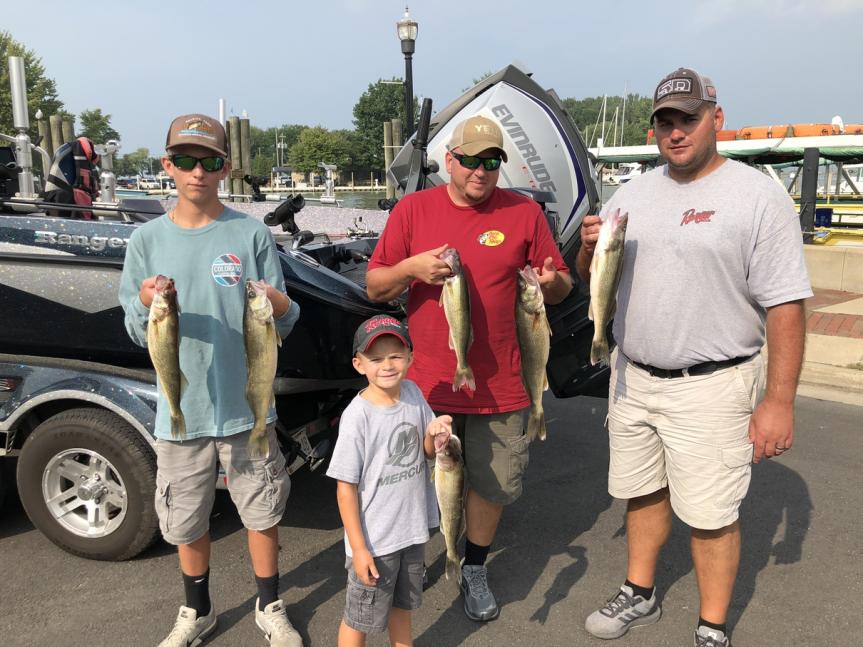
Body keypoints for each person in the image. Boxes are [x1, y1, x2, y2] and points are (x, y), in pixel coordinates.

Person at [576, 68, 812, 647]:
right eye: (665, 122)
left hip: (712, 384)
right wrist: (586, 253)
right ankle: (640, 590)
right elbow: (594, 282)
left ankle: (711, 625)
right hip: (632, 376)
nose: (676, 132)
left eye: (688, 118)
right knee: (643, 491)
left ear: (716, 118)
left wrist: (779, 401)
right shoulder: (631, 193)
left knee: (710, 514)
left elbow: (786, 307)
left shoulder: (757, 197)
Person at [365, 115, 573, 621]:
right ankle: (411, 557)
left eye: (492, 161)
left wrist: (551, 283)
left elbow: (563, 284)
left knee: (493, 483)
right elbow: (375, 285)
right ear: (451, 160)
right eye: (472, 160)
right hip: (427, 383)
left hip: (503, 384)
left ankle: (472, 564)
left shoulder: (524, 214)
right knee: (408, 478)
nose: (481, 171)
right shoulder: (413, 209)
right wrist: (412, 269)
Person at [118, 113, 303, 647]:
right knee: (184, 515)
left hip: (249, 410)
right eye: (185, 160)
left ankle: (270, 603)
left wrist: (279, 302)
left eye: (210, 161)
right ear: (167, 165)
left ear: (226, 168)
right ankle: (195, 609)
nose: (197, 171)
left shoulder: (249, 233)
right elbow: (135, 329)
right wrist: (147, 302)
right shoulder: (145, 240)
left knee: (262, 509)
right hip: (182, 411)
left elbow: (286, 321)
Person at [326, 315, 451, 646]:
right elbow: (345, 488)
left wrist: (435, 434)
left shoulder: (412, 392)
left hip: (411, 533)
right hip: (374, 541)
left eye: (395, 355)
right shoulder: (358, 416)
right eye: (376, 358)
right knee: (359, 618)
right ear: (359, 364)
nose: (387, 365)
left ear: (410, 357)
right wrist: (359, 548)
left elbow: (424, 451)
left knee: (403, 608)